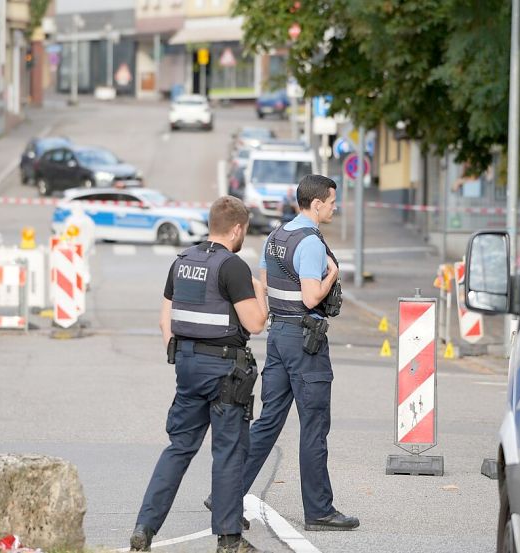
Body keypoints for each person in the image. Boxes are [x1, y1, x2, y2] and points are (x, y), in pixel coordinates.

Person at [130, 196, 269, 553]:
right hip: (224, 371)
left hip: (188, 367)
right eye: (244, 230)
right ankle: (229, 540)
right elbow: (255, 323)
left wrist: (181, 355)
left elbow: (165, 320)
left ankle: (144, 528)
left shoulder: (182, 262)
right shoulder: (232, 266)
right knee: (228, 452)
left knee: (178, 449)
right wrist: (260, 292)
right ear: (236, 229)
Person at [243, 174, 358, 530]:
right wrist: (332, 273)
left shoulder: (276, 235)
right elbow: (311, 297)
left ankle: (225, 493)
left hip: (278, 335)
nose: (335, 208)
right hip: (305, 341)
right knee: (314, 426)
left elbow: (263, 283)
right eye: (332, 202)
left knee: (268, 421)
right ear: (317, 203)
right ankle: (320, 511)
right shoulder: (310, 242)